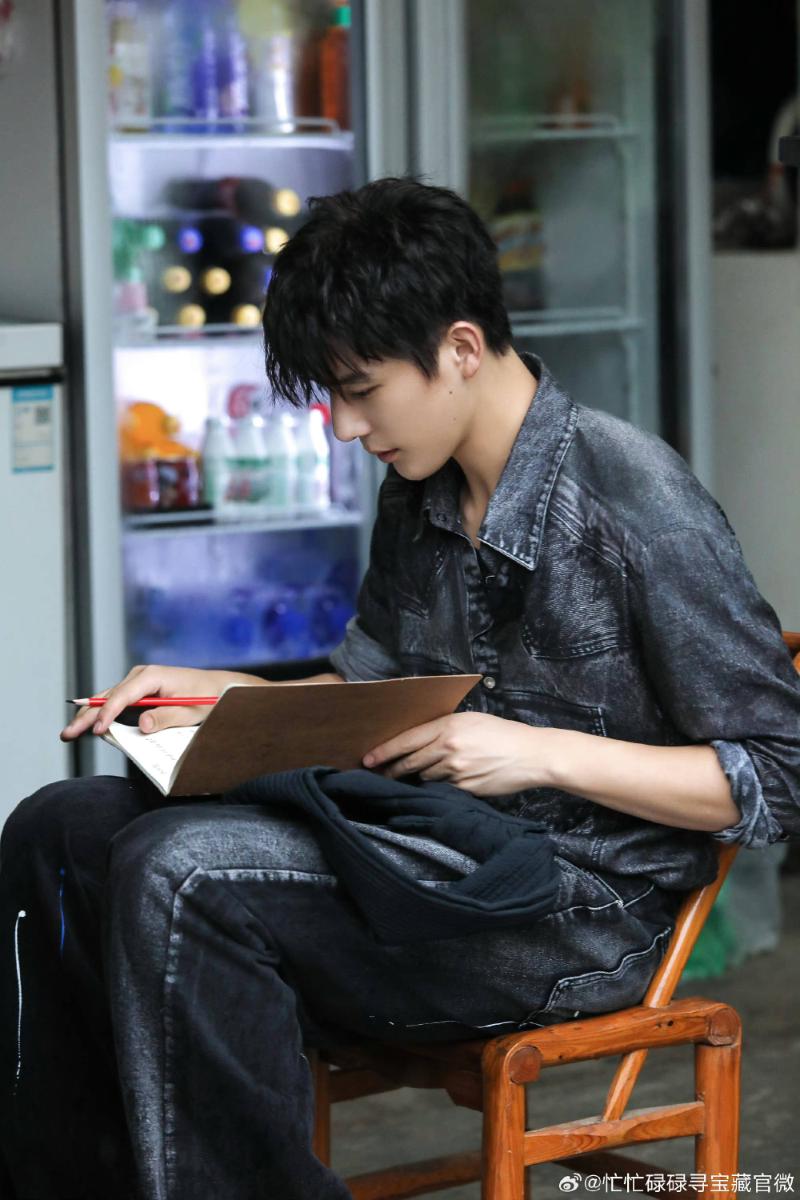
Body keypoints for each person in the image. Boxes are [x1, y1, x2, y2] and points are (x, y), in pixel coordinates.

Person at [2, 177, 799, 1200]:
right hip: (423, 852)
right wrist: (212, 692)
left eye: (361, 389)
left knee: (185, 870)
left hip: (574, 913)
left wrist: (538, 754)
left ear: (460, 348)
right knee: (60, 827)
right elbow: (366, 692)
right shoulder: (419, 490)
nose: (342, 427)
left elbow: (780, 774)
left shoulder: (634, 498)